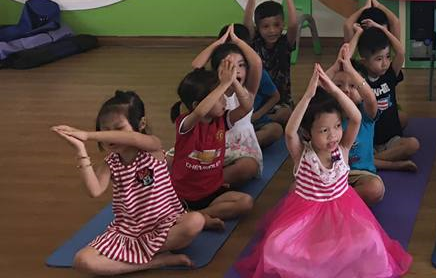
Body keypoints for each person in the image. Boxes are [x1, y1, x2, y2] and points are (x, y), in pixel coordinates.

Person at [234, 63, 412, 278]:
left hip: (342, 211)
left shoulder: (343, 148)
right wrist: (308, 96)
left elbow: (355, 118)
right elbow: (290, 132)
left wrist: (334, 90)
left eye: (336, 127)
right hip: (307, 214)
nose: (333, 135)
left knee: (369, 241)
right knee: (275, 247)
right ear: (307, 133)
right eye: (324, 130)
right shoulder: (302, 153)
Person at [52, 92, 205, 274]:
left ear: (141, 124)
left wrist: (87, 135)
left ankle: (139, 255)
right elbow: (94, 191)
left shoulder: (152, 148)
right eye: (105, 130)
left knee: (195, 221)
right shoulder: (110, 163)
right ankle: (156, 261)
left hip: (165, 223)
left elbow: (134, 139)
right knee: (82, 261)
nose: (110, 137)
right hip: (128, 232)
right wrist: (80, 150)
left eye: (118, 129)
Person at [168, 63, 254, 227]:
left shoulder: (222, 120)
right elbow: (200, 112)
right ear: (196, 104)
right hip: (183, 195)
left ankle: (196, 216)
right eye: (219, 97)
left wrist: (232, 82)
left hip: (212, 191)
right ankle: (193, 217)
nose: (224, 101)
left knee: (246, 202)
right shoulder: (186, 123)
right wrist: (223, 85)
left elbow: (247, 106)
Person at [191, 25, 278, 185]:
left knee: (247, 167)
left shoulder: (248, 91)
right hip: (213, 145)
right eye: (228, 65)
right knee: (173, 158)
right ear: (217, 70)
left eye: (241, 65)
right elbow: (196, 67)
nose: (235, 70)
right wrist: (219, 43)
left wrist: (237, 41)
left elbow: (257, 63)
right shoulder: (213, 91)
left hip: (240, 147)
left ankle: (208, 182)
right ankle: (207, 178)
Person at [346, 21, 420, 170]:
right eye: (379, 59)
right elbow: (345, 60)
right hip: (369, 140)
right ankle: (388, 163)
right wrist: (358, 34)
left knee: (413, 144)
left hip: (390, 138)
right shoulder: (360, 78)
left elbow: (400, 52)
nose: (385, 63)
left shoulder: (389, 74)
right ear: (364, 61)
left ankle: (371, 160)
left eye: (387, 56)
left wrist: (381, 29)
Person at [328, 40, 387, 205]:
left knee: (375, 189)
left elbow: (371, 98)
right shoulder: (328, 113)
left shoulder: (366, 114)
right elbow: (314, 91)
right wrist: (335, 68)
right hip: (331, 175)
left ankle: (333, 201)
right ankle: (341, 200)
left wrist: (350, 69)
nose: (346, 90)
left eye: (353, 86)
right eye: (338, 85)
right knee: (294, 188)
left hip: (361, 174)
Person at [243, 0, 299, 123]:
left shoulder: (285, 44)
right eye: (266, 26)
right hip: (258, 98)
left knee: (286, 114)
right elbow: (246, 25)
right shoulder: (255, 42)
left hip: (281, 100)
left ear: (282, 25)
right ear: (258, 28)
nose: (272, 30)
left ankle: (261, 120)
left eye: (276, 25)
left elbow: (294, 25)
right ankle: (260, 120)